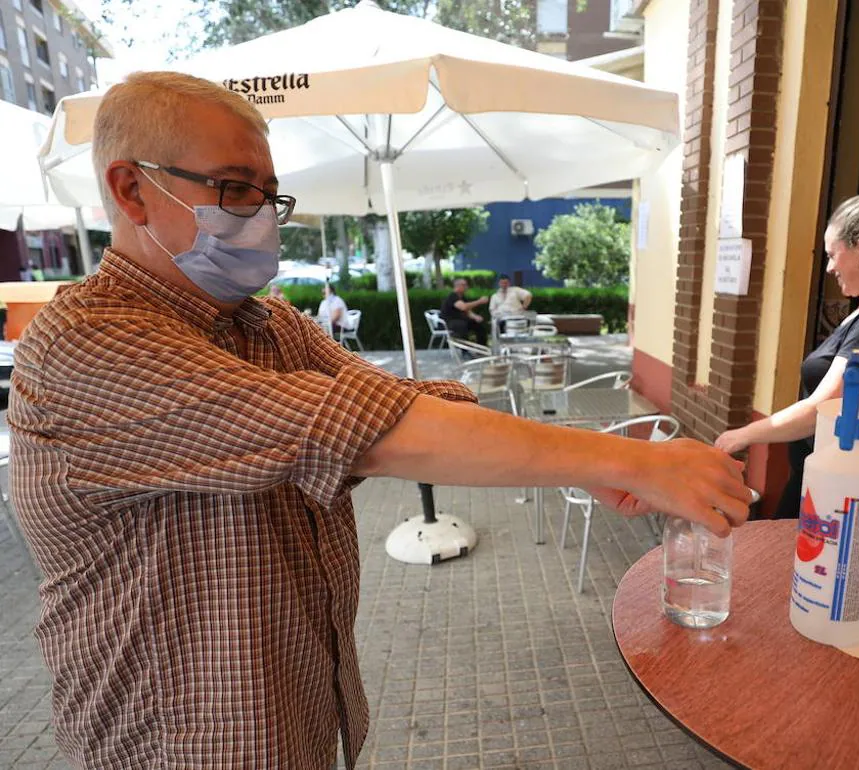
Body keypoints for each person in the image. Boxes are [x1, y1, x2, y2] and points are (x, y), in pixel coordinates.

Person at [7, 71, 750, 770]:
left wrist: (572, 450)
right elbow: (368, 427)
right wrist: (622, 461)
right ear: (131, 189)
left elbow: (410, 412)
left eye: (270, 195)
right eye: (234, 189)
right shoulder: (88, 343)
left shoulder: (268, 327)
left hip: (298, 716)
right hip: (173, 742)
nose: (261, 217)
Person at [714, 175, 859, 518]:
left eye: (833, 255)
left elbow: (826, 408)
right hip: (821, 482)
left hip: (839, 496)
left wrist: (742, 436)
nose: (829, 267)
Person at [441, 277, 489, 345]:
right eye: (464, 285)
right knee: (462, 325)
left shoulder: (462, 297)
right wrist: (479, 301)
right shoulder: (452, 296)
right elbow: (463, 307)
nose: (466, 287)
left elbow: (467, 311)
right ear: (457, 286)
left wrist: (476, 317)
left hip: (460, 320)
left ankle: (482, 347)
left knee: (478, 324)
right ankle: (465, 350)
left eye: (466, 285)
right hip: (450, 322)